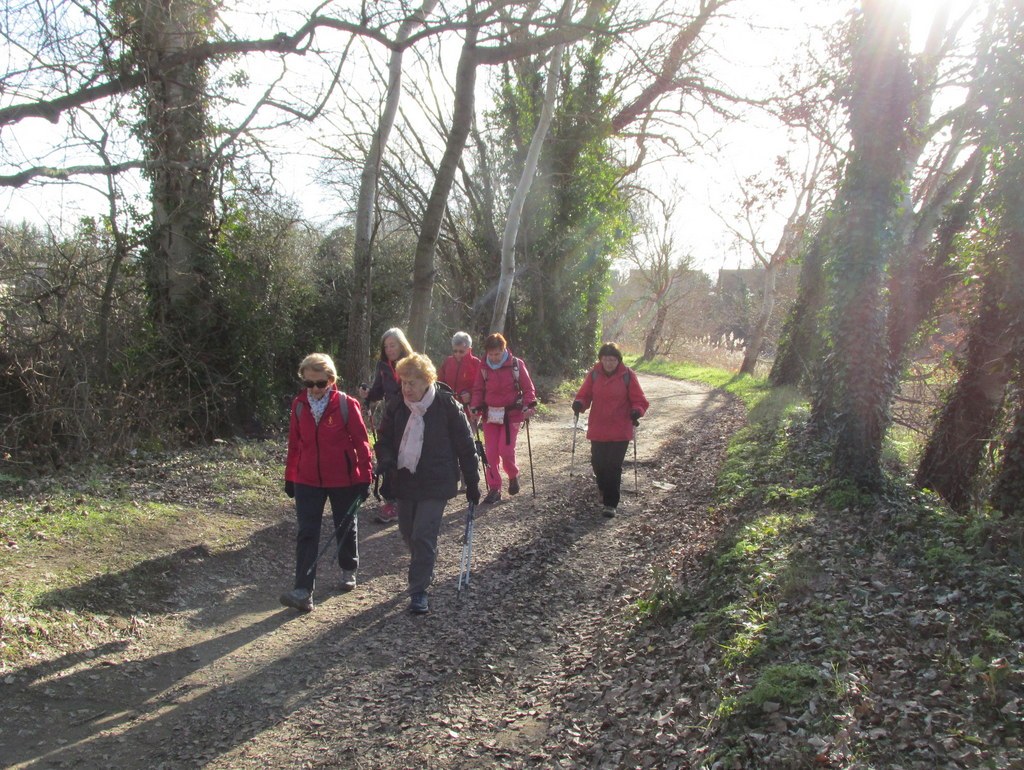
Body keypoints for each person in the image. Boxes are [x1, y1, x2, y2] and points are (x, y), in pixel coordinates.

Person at [374, 353, 481, 614]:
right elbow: (384, 439)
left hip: (437, 480)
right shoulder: (398, 405)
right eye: (403, 382)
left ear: (427, 381)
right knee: (408, 531)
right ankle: (424, 561)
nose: (406, 388)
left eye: (412, 383)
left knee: (423, 533)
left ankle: (419, 590)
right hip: (405, 479)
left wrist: (473, 481)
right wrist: (386, 460)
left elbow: (466, 446)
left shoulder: (446, 405)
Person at [282, 353, 373, 612]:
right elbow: (294, 444)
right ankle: (303, 590)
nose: (314, 390)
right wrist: (290, 476)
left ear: (331, 381)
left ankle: (348, 567)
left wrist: (365, 476)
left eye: (319, 383)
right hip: (307, 479)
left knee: (344, 525)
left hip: (343, 478)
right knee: (306, 532)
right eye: (308, 384)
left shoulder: (346, 405)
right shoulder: (299, 405)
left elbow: (362, 443)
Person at [572, 342, 649, 518]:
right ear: (601, 359)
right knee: (598, 463)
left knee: (613, 466)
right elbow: (585, 395)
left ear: (618, 360)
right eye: (606, 359)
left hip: (620, 428)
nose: (609, 362)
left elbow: (640, 400)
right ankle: (602, 487)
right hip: (598, 427)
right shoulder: (594, 375)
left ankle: (610, 503)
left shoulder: (628, 375)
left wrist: (637, 411)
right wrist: (579, 404)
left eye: (612, 359)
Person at [471, 333, 538, 504]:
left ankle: (513, 474)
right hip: (490, 415)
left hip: (511, 415)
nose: (493, 357)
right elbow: (478, 389)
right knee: (491, 453)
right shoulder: (483, 366)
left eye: (497, 354)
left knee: (506, 451)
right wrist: (475, 407)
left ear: (504, 349)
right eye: (490, 354)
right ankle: (495, 488)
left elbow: (528, 388)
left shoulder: (516, 364)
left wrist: (529, 405)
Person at [358, 327, 414, 524]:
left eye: (393, 345)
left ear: (401, 344)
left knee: (407, 455)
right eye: (387, 346)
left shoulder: (412, 361)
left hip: (411, 416)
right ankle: (392, 499)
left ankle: (406, 498)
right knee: (387, 455)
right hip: (391, 417)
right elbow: (378, 391)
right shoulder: (382, 366)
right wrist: (368, 394)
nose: (390, 349)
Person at [437, 331, 482, 418]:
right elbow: (440, 382)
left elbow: (482, 387)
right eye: (455, 351)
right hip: (448, 407)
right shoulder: (448, 362)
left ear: (469, 350)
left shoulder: (476, 364)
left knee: (468, 431)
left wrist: (470, 394)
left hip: (469, 409)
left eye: (461, 351)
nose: (457, 354)